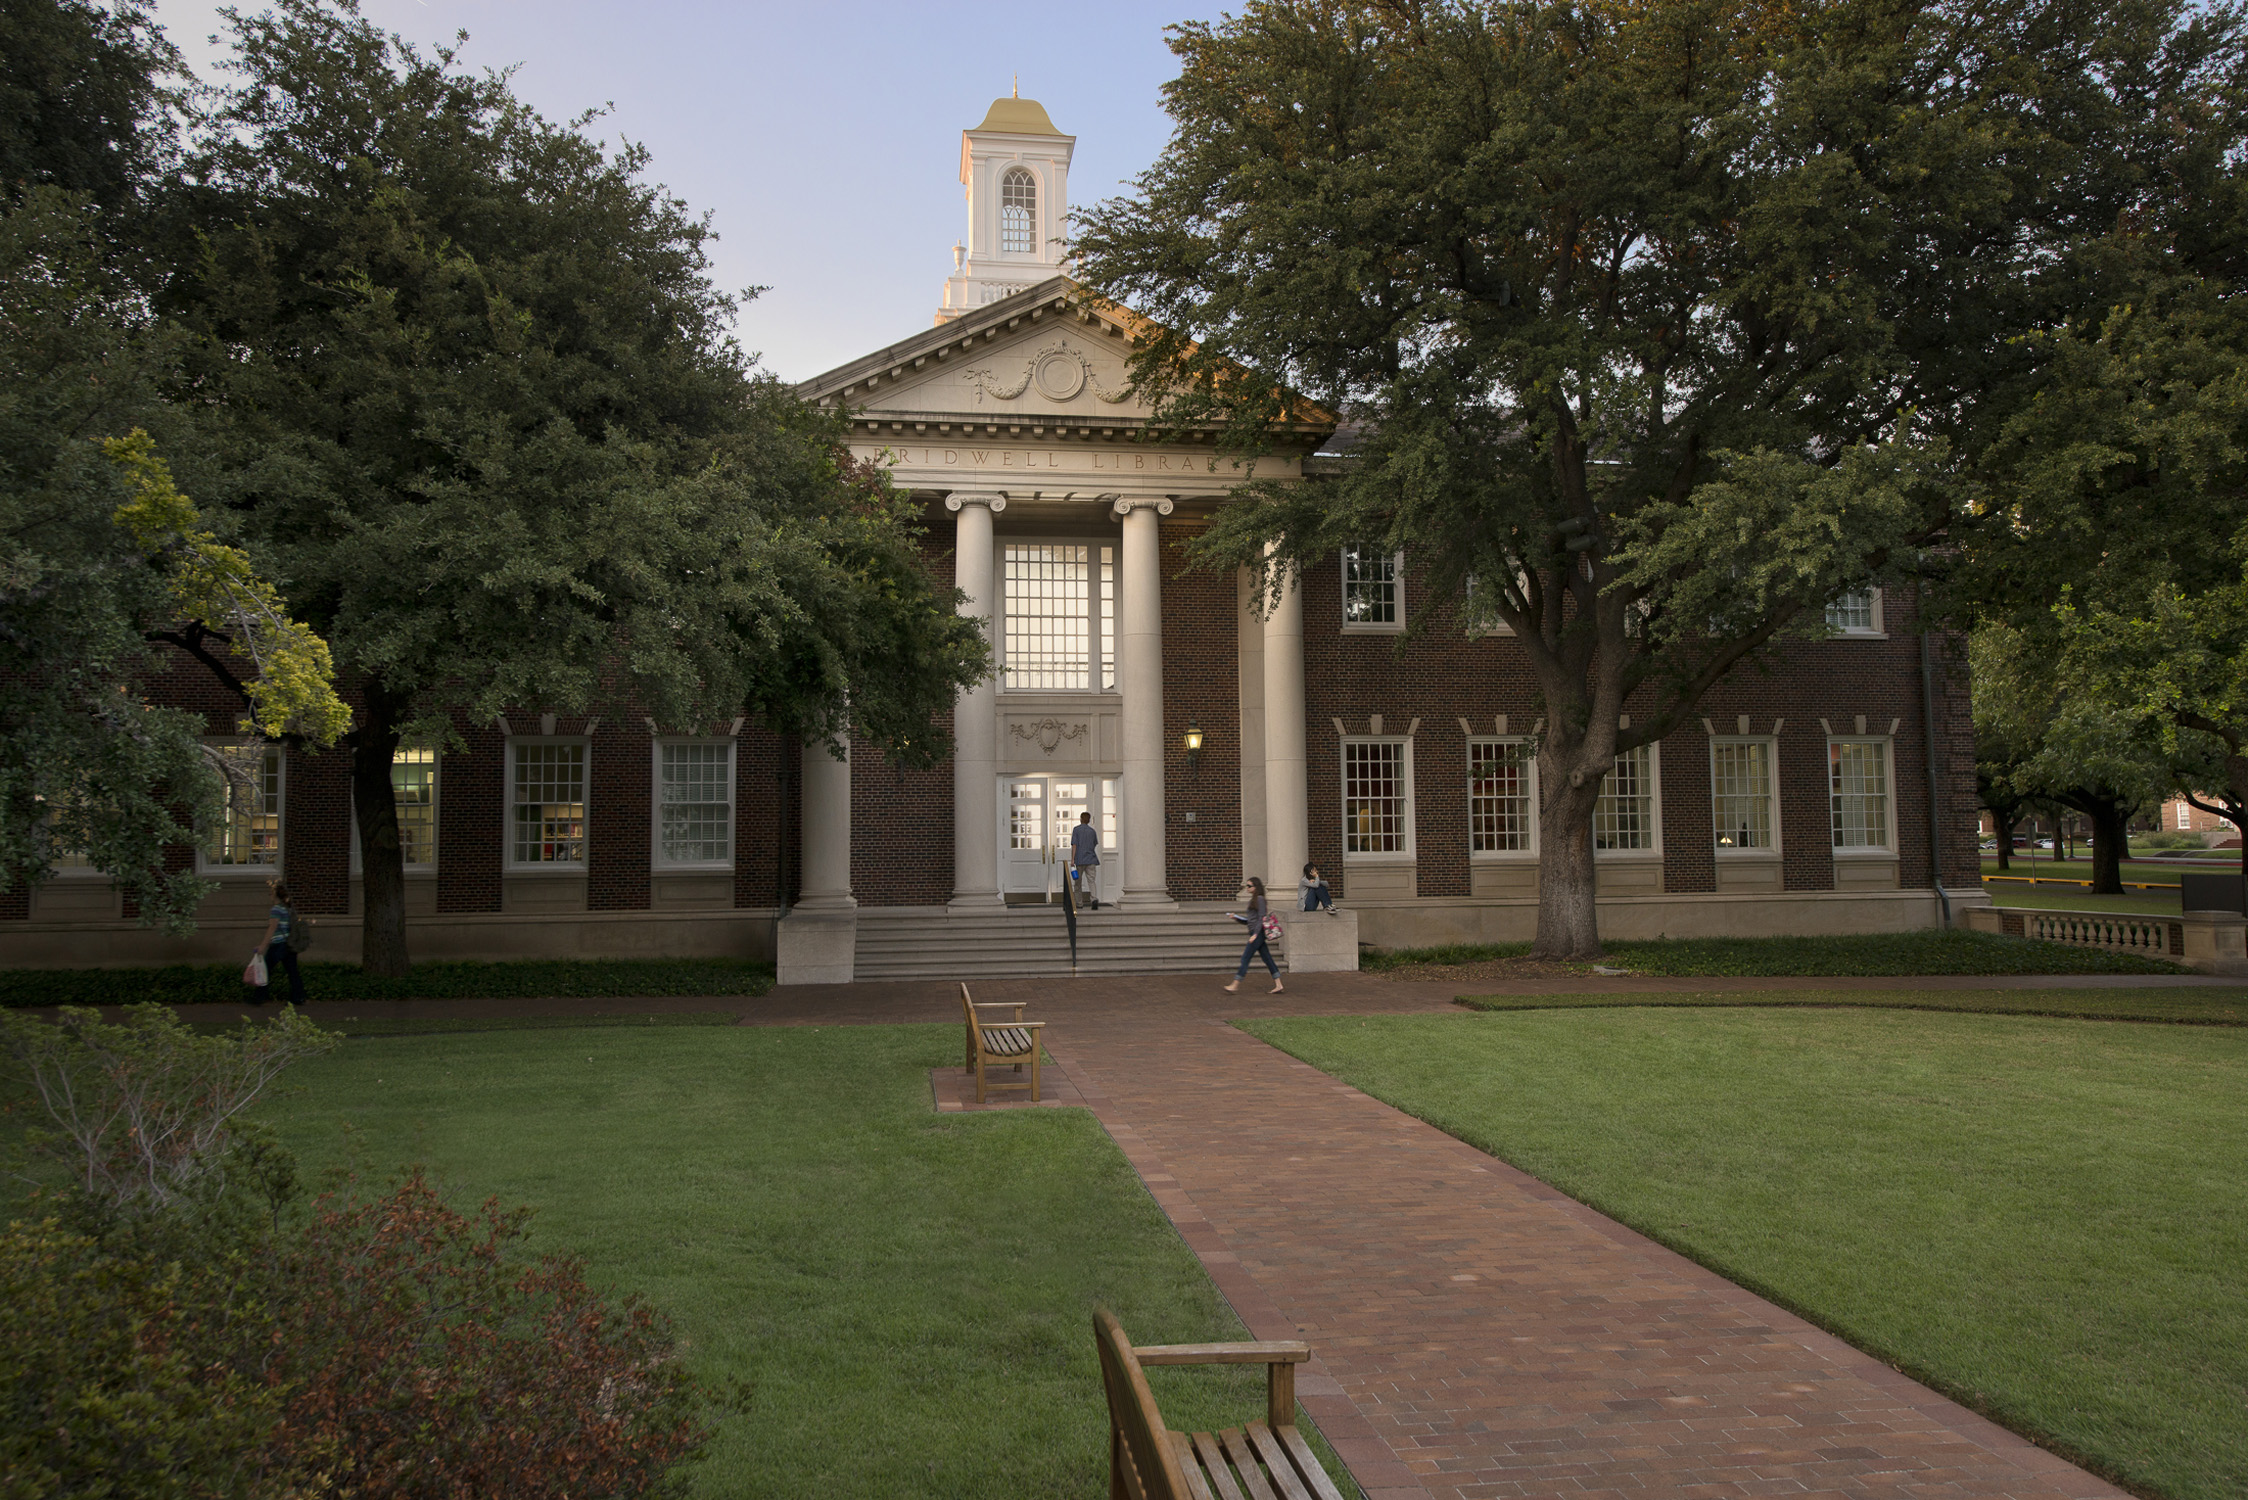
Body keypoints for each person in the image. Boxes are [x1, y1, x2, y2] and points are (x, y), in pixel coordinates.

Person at [1222, 876, 1283, 994]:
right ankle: (1278, 984)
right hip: (1255, 932)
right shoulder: (1254, 900)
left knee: (1246, 957)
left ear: (1256, 887)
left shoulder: (1259, 899)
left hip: (1258, 933)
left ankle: (1235, 984)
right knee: (1267, 958)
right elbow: (1250, 920)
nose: (1247, 888)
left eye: (1249, 886)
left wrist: (1255, 934)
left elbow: (1261, 918)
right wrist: (1236, 918)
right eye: (1247, 886)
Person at [252, 879, 308, 1007]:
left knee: (265, 970)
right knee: (293, 972)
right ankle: (298, 997)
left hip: (278, 945)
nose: (269, 896)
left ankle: (259, 997)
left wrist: (262, 946)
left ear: (275, 895)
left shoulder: (276, 909)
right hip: (289, 944)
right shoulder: (287, 908)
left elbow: (272, 928)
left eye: (271, 894)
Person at [1070, 809, 1101, 909]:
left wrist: (1072, 859)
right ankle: (1094, 898)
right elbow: (1094, 844)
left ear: (1081, 819)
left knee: (1078, 883)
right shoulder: (1092, 831)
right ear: (1089, 820)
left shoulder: (1076, 830)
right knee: (1091, 880)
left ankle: (1079, 902)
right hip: (1091, 858)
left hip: (1079, 859)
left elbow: (1074, 845)